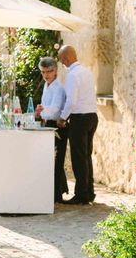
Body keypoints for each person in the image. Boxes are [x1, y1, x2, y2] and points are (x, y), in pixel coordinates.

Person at [57, 45, 98, 205]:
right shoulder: (86, 71)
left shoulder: (73, 75)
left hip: (79, 118)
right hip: (92, 116)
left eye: (62, 60)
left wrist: (62, 118)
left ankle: (81, 194)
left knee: (79, 157)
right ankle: (89, 191)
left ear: (66, 58)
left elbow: (71, 101)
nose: (62, 63)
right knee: (86, 155)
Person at [35, 57, 68, 203]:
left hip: (57, 125)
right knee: (50, 159)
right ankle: (56, 190)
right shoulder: (46, 86)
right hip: (48, 124)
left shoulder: (59, 88)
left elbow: (55, 110)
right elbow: (45, 106)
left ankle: (57, 193)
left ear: (56, 71)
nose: (46, 75)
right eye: (43, 72)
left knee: (57, 159)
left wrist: (41, 111)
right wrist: (40, 112)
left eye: (49, 71)